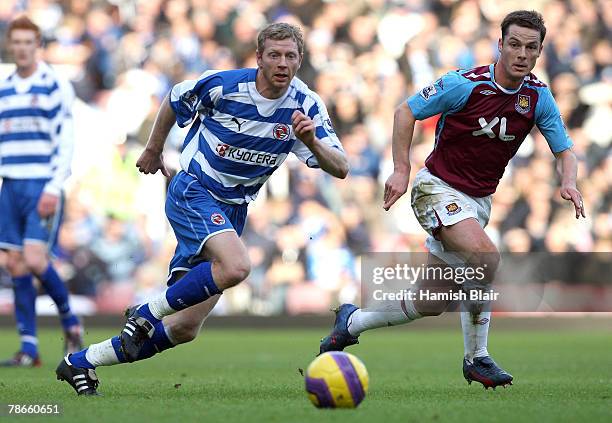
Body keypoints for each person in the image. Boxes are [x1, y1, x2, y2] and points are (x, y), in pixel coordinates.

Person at [56, 22, 348, 396]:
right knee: (237, 266)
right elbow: (175, 99)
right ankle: (145, 313)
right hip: (193, 190)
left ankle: (80, 363)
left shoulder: (305, 105)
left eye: (290, 56)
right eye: (274, 55)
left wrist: (310, 141)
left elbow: (340, 167)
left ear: (300, 60)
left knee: (183, 328)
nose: (282, 63)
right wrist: (153, 149)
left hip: (232, 212)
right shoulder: (224, 85)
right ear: (258, 57)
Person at [319, 10, 585, 389]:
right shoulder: (465, 84)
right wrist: (400, 169)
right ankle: (477, 358)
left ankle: (351, 322)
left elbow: (565, 150)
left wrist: (569, 181)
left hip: (477, 203)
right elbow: (405, 111)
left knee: (430, 302)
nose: (522, 54)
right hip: (436, 189)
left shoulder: (537, 96)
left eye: (531, 47)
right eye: (514, 44)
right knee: (486, 258)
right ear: (500, 45)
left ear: (539, 52)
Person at [0, 16, 84, 367]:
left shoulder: (54, 84)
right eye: (15, 42)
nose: (21, 48)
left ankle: (70, 320)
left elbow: (65, 139)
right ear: (10, 45)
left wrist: (54, 185)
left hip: (41, 184)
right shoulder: (4, 86)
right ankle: (29, 349)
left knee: (35, 259)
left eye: (27, 42)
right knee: (15, 264)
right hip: (10, 184)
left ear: (38, 46)